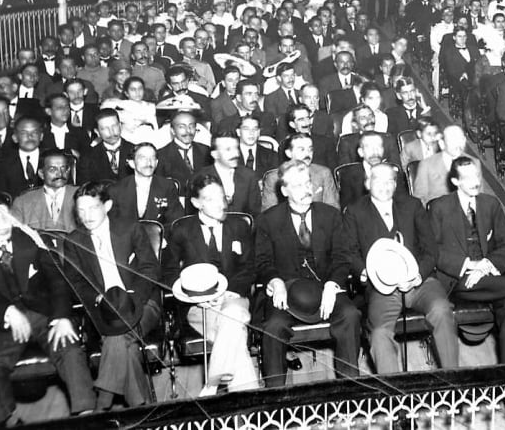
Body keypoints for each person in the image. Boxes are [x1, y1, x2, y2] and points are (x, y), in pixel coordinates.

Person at [0, 198, 95, 424]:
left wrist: (61, 317)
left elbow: (58, 282)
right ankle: (9, 421)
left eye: (6, 217)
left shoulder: (31, 241)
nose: (3, 224)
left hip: (44, 316)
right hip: (4, 327)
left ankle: (87, 417)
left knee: (71, 353)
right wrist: (5, 312)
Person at [429, 156, 505, 363]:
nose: (475, 181)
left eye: (476, 175)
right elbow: (433, 251)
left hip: (487, 276)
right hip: (458, 279)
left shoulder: (491, 204)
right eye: (467, 178)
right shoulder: (440, 207)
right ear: (455, 181)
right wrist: (469, 266)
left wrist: (485, 266)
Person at [342, 163, 458, 373]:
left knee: (442, 310)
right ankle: (394, 399)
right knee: (378, 333)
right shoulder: (354, 211)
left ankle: (454, 383)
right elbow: (349, 252)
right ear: (368, 183)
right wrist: (368, 272)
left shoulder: (413, 206)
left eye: (390, 181)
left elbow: (430, 250)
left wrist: (417, 276)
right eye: (379, 180)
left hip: (420, 283)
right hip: (382, 288)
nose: (385, 186)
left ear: (396, 185)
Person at [254, 160, 360, 388]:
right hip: (286, 291)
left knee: (350, 315)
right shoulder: (268, 220)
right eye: (298, 185)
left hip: (325, 288)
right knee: (274, 326)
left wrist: (333, 285)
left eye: (308, 183)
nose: (307, 189)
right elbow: (262, 262)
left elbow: (342, 257)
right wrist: (275, 280)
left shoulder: (330, 215)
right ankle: (275, 398)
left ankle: (352, 391)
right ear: (284, 191)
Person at [62, 182, 162, 409]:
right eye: (81, 210)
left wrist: (132, 299)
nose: (86, 216)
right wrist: (98, 298)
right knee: (124, 344)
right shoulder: (74, 241)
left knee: (118, 336)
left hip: (142, 302)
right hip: (103, 310)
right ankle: (142, 409)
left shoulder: (130, 229)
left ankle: (102, 405)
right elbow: (74, 282)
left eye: (93, 208)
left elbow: (150, 269)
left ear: (107, 206)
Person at [161, 174, 261, 393]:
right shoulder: (182, 230)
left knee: (233, 315)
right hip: (199, 306)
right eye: (210, 199)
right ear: (196, 203)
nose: (219, 204)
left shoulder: (239, 226)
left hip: (234, 299)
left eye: (221, 198)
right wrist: (195, 295)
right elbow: (169, 272)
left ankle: (212, 382)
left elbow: (249, 267)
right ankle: (246, 419)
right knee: (236, 336)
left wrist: (229, 293)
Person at [11, 149, 79, 232]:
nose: (60, 174)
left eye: (63, 168)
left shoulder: (82, 196)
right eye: (53, 169)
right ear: (41, 174)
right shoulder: (22, 203)